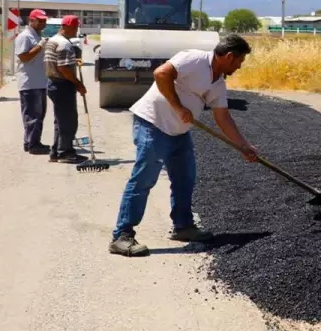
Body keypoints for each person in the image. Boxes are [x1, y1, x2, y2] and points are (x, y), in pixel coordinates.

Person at [109, 33, 259, 257]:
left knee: (184, 179)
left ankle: (183, 226)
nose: (239, 66)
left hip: (179, 132)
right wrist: (178, 107)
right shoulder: (193, 59)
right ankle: (122, 235)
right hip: (153, 124)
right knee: (143, 179)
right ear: (229, 56)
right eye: (239, 61)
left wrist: (244, 146)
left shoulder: (217, 83)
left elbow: (223, 118)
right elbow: (161, 74)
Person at [43, 15, 88, 164]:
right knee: (68, 121)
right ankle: (65, 153)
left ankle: (56, 152)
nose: (76, 31)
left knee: (60, 120)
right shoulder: (64, 44)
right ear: (67, 27)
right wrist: (78, 84)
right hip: (62, 84)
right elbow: (63, 68)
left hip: (53, 83)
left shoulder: (52, 40)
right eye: (75, 27)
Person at [14, 9, 50, 155]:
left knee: (39, 115)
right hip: (30, 83)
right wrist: (40, 46)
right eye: (40, 20)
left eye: (44, 21)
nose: (43, 23)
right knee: (32, 116)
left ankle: (31, 142)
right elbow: (24, 57)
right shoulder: (25, 37)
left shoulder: (36, 36)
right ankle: (33, 145)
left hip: (40, 82)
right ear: (32, 20)